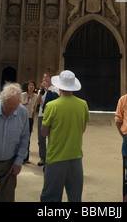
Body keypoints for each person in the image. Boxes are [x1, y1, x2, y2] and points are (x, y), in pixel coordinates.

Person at [40, 70, 90, 202]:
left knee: (50, 198)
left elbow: (44, 133)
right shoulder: (82, 104)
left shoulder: (51, 106)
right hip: (75, 157)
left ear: (60, 86)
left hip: (55, 157)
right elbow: (83, 129)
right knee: (75, 198)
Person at [35, 73, 59, 166]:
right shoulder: (40, 91)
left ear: (50, 79)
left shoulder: (55, 89)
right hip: (42, 115)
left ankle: (51, 157)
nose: (45, 78)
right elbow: (38, 103)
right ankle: (42, 157)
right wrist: (41, 92)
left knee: (52, 137)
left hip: (52, 115)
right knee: (41, 138)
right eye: (43, 77)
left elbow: (56, 101)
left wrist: (47, 90)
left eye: (47, 77)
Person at [21, 80, 38, 163]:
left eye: (32, 85)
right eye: (30, 85)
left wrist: (33, 123)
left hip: (30, 118)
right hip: (22, 118)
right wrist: (24, 103)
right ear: (27, 87)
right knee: (21, 137)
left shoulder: (35, 96)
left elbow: (34, 109)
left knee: (27, 138)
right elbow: (18, 105)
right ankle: (19, 156)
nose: (31, 87)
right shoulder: (23, 95)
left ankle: (26, 158)